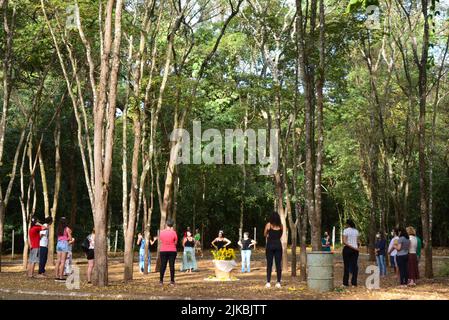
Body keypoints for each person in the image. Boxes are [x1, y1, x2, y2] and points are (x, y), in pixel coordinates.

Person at [264, 211, 283, 288]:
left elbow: (264, 234)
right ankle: (278, 282)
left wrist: (268, 234)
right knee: (278, 264)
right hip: (278, 245)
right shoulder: (281, 226)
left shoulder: (268, 225)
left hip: (270, 246)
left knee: (269, 264)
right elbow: (280, 235)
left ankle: (268, 282)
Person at [159, 219, 178, 286]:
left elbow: (161, 240)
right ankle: (172, 281)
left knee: (163, 266)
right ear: (172, 225)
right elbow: (175, 242)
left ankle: (161, 281)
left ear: (166, 224)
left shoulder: (161, 232)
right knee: (171, 266)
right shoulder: (174, 232)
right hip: (172, 250)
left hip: (163, 250)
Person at [342, 219, 359, 287]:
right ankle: (354, 283)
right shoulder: (356, 231)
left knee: (346, 266)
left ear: (347, 224)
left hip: (347, 249)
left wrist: (351, 247)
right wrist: (356, 248)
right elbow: (358, 242)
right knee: (354, 266)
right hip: (355, 250)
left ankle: (345, 283)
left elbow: (344, 242)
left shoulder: (345, 230)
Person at [55, 217, 72, 282]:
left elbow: (59, 237)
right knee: (63, 262)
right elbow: (70, 238)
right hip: (64, 244)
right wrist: (66, 238)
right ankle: (61, 277)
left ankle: (56, 276)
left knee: (58, 261)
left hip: (58, 244)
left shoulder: (58, 228)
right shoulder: (67, 228)